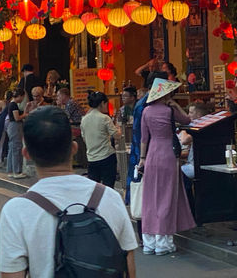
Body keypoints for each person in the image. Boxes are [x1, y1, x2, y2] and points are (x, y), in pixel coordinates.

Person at [0, 106, 138, 278]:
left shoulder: (16, 211)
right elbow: (128, 268)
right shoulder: (110, 197)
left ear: (27, 154)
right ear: (74, 148)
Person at [138, 77, 195, 255]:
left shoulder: (146, 111)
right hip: (168, 154)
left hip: (151, 155)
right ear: (166, 94)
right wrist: (176, 105)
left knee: (150, 197)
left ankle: (149, 242)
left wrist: (142, 158)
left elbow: (143, 139)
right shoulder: (169, 111)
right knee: (166, 197)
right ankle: (164, 242)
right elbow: (187, 120)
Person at [126, 70, 168, 203]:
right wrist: (142, 157)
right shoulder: (145, 105)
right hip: (146, 150)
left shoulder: (146, 103)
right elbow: (140, 135)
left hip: (148, 150)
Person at [81, 91, 120, 188]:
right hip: (107, 156)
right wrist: (119, 129)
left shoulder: (84, 119)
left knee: (95, 188)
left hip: (91, 158)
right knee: (108, 187)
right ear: (102, 103)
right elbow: (116, 135)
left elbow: (84, 138)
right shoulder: (105, 118)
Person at [180, 102, 210, 214]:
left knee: (177, 175)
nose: (189, 115)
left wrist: (184, 128)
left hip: (197, 165)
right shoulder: (200, 126)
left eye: (191, 112)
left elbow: (184, 140)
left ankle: (190, 210)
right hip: (193, 163)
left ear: (199, 115)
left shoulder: (202, 127)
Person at [6, 89, 27, 179]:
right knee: (16, 148)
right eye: (22, 97)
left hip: (12, 127)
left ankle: (10, 170)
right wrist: (25, 115)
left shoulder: (11, 104)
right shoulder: (13, 105)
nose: (22, 99)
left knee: (12, 148)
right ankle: (17, 171)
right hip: (15, 127)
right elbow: (17, 118)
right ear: (19, 96)